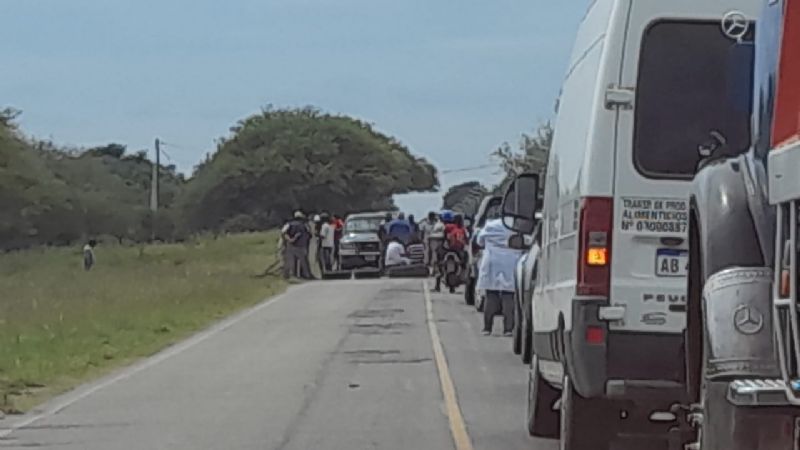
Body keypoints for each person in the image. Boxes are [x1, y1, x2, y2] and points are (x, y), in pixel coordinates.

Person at [476, 218, 523, 336]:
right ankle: (508, 329)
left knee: (491, 295)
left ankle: (487, 328)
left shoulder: (490, 225)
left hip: (491, 261)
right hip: (511, 260)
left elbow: (479, 241)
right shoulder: (516, 225)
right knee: (509, 296)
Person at [282, 211, 313, 279]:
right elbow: (310, 234)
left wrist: (290, 240)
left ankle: (293, 275)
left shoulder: (289, 224)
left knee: (291, 262)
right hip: (302, 246)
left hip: (291, 246)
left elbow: (283, 233)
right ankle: (306, 275)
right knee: (304, 262)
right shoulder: (304, 225)